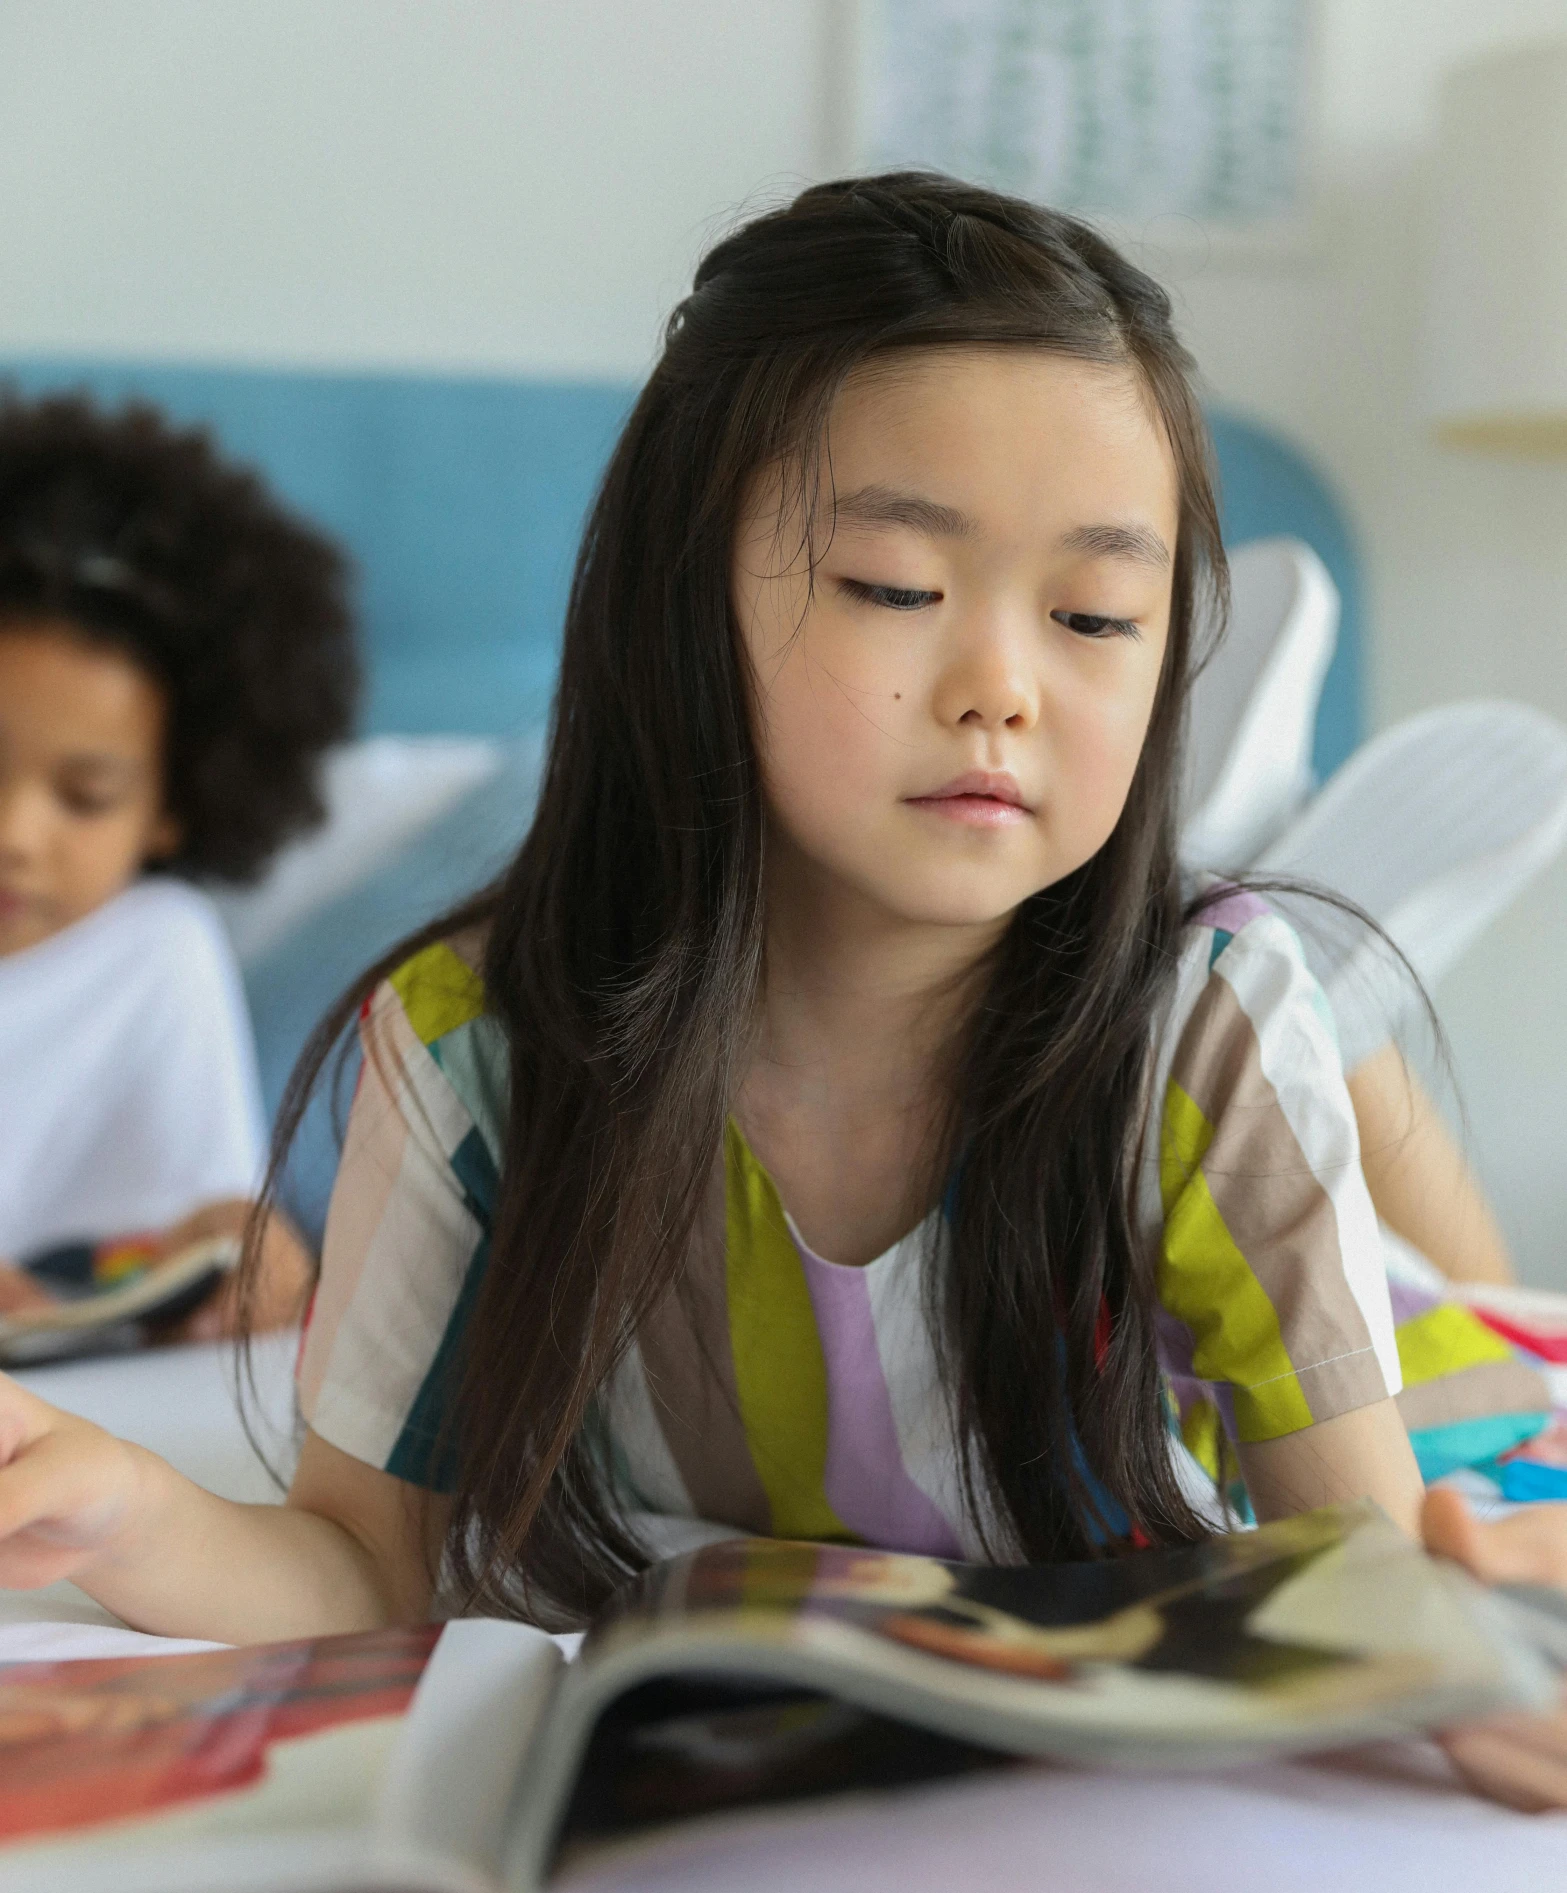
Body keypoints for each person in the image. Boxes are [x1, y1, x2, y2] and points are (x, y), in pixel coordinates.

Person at [0, 177, 1563, 1810]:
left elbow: (1372, 1578)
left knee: (1398, 1244)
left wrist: (1477, 1673)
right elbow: (366, 1570)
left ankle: (1305, 944)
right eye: (895, 587)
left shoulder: (1204, 1036)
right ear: (686, 601)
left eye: (1097, 616)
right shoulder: (474, 1052)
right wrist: (122, 1513)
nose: (1000, 692)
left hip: (1327, 1281)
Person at [0, 394, 356, 1337]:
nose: (16, 835)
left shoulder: (157, 955)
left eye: (86, 797)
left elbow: (195, 1232)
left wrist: (244, 1259)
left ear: (171, 808)